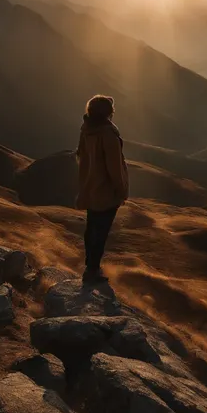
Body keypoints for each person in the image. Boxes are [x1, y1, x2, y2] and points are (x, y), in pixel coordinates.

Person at [76, 95, 128, 283]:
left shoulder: (86, 130)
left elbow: (80, 156)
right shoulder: (108, 135)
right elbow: (115, 168)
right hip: (106, 190)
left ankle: (90, 266)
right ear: (108, 113)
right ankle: (93, 270)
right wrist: (121, 191)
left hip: (91, 186)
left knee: (92, 227)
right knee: (101, 230)